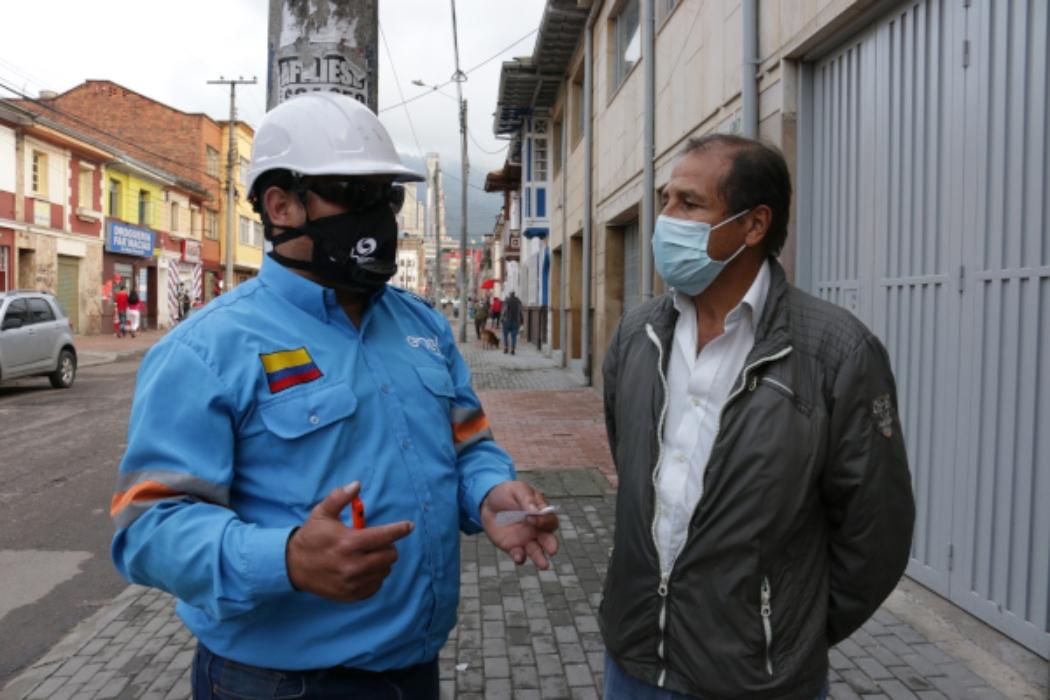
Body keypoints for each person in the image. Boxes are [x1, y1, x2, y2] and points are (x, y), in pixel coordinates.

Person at [110, 92, 559, 700]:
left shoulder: (421, 326)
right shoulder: (206, 350)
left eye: (389, 197)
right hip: (276, 683)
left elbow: (470, 445)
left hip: (414, 671)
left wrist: (489, 494)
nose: (380, 215)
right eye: (355, 193)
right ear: (281, 205)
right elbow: (147, 528)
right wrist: (286, 558)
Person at [600, 134, 914, 700]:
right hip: (634, 663)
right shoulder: (637, 334)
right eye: (666, 199)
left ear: (753, 224)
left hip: (756, 682)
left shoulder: (836, 351)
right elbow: (631, 459)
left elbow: (876, 530)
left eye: (689, 204)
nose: (664, 219)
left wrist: (782, 635)